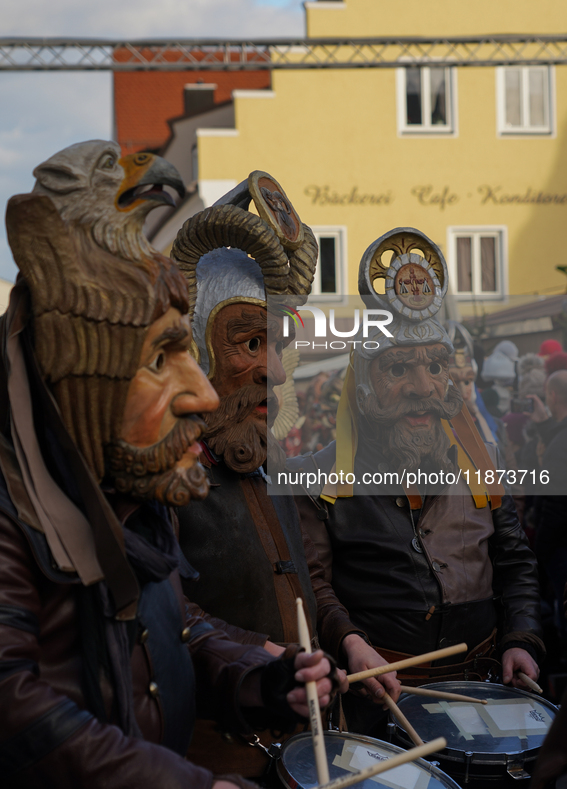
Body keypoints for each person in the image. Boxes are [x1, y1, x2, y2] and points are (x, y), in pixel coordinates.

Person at [0, 142, 338, 789]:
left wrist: (260, 675)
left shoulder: (126, 493)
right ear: (80, 369)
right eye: (159, 357)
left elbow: (171, 620)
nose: (200, 394)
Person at [170, 173, 399, 775]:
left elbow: (303, 586)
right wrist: (259, 660)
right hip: (214, 755)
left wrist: (344, 635)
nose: (274, 370)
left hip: (303, 741)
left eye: (279, 344)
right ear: (195, 350)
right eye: (248, 342)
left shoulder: (270, 464)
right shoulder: (159, 477)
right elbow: (165, 611)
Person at [290, 228, 544, 733]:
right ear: (364, 387)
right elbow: (313, 584)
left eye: (435, 366)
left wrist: (521, 638)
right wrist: (349, 640)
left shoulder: (484, 460)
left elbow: (514, 560)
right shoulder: (317, 478)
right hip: (380, 705)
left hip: (486, 695)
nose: (422, 387)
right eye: (398, 369)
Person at [528, 371, 567, 643]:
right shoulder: (558, 437)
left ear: (552, 395)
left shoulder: (559, 445)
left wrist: (537, 553)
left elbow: (555, 507)